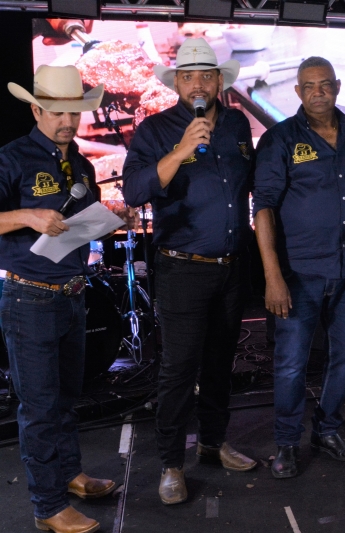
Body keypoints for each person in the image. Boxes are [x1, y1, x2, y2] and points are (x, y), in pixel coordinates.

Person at [123, 38, 256, 505]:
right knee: (179, 370)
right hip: (182, 270)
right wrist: (179, 151)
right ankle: (170, 464)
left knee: (221, 364)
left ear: (219, 82)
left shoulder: (238, 123)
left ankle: (214, 444)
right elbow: (135, 191)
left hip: (232, 267)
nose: (197, 84)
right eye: (188, 77)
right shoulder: (156, 130)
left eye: (206, 76)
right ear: (176, 83)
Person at [1, 65, 116, 533]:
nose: (67, 121)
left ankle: (69, 475)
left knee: (66, 397)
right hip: (29, 299)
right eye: (57, 111)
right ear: (36, 109)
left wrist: (112, 219)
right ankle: (48, 507)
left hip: (71, 295)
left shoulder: (82, 164)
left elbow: (82, 221)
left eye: (75, 111)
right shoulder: (12, 157)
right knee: (41, 407)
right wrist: (27, 214)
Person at [252, 56, 345, 479]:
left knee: (344, 356)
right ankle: (287, 442)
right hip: (299, 273)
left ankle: (327, 430)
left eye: (325, 84)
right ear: (298, 92)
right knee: (290, 363)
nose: (318, 91)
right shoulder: (279, 140)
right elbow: (263, 208)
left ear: (337, 87)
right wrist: (272, 277)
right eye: (309, 85)